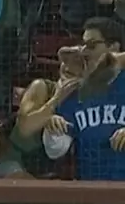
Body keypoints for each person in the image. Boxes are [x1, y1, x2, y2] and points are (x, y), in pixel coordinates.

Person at [43, 17, 125, 180]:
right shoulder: (75, 90)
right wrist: (51, 128)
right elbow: (55, 150)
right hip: (91, 192)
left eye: (92, 45)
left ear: (113, 47)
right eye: (84, 45)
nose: (85, 52)